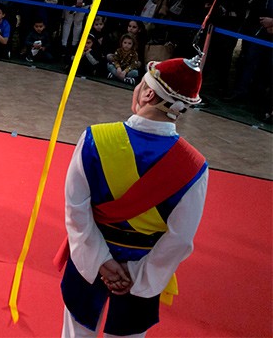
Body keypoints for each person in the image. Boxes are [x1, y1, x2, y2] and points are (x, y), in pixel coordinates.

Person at [60, 55, 208, 337]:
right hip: (142, 268)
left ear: (148, 93)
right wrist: (138, 277)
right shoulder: (195, 166)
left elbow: (75, 210)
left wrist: (101, 261)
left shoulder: (94, 138)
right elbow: (179, 239)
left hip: (89, 262)